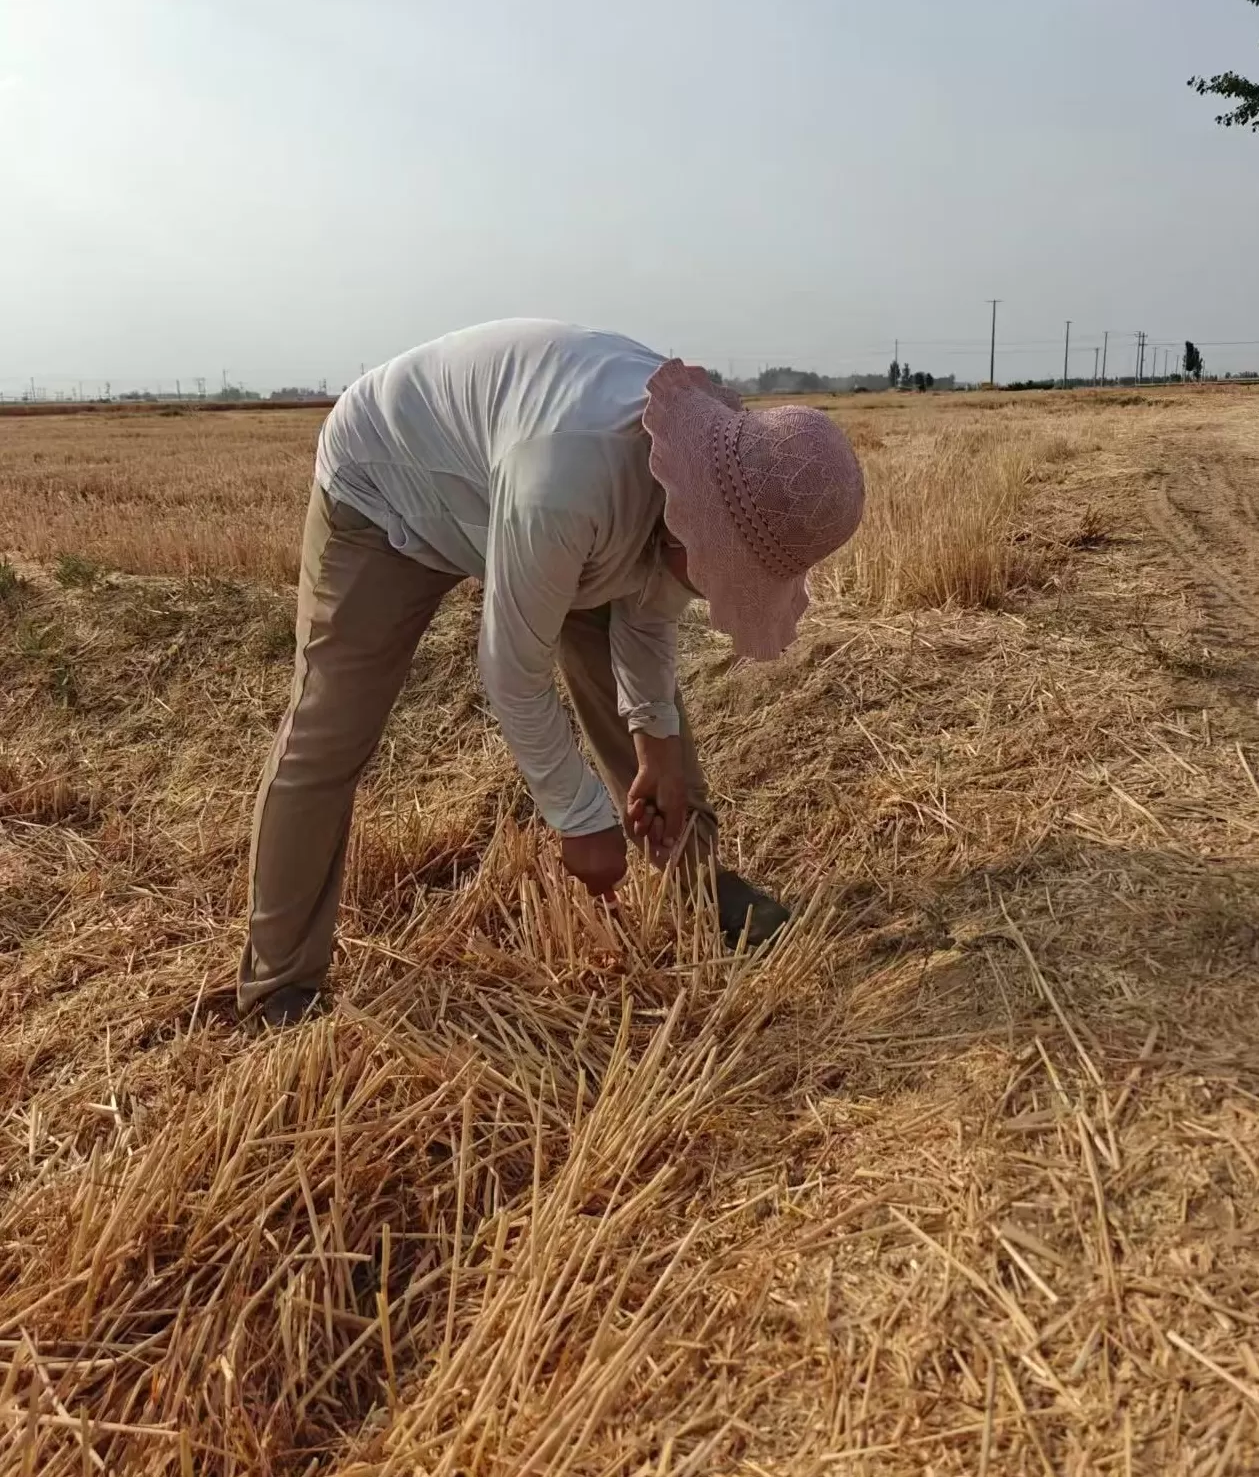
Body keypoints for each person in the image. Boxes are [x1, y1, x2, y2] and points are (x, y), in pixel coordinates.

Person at [239, 320, 864, 1024]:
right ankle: (280, 982)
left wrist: (655, 747)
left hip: (530, 487)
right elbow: (512, 669)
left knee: (652, 727)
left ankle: (699, 887)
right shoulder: (564, 484)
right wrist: (579, 816)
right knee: (330, 729)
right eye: (724, 567)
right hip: (388, 484)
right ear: (693, 514)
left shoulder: (694, 480)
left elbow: (647, 614)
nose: (719, 584)